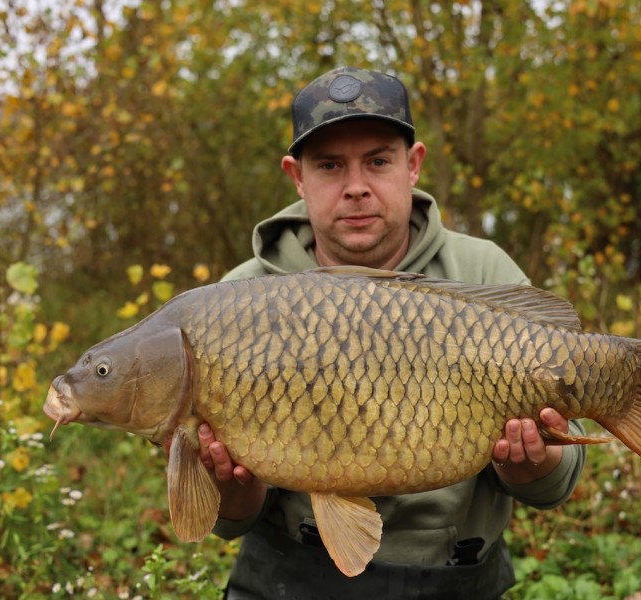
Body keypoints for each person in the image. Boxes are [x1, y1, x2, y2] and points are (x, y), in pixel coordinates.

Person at [197, 66, 586, 599]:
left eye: (378, 161)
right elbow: (232, 519)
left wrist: (532, 463)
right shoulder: (235, 302)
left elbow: (555, 485)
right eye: (330, 166)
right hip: (289, 573)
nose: (356, 187)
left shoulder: (483, 273)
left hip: (455, 576)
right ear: (297, 177)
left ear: (413, 165)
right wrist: (227, 484)